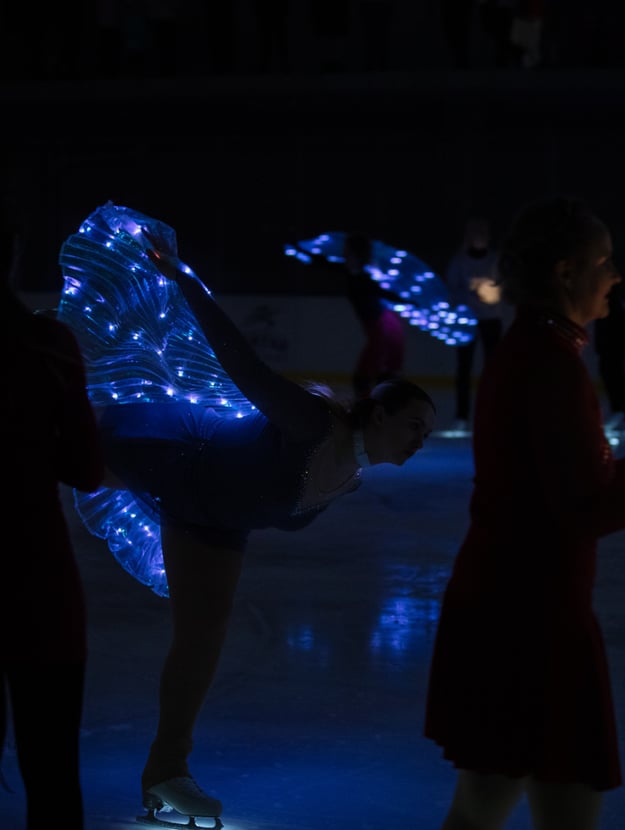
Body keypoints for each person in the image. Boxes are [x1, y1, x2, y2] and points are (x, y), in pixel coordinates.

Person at [55, 202, 436, 825]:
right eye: (414, 425)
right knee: (44, 451)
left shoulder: (349, 477)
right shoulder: (313, 423)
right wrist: (184, 280)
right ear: (379, 413)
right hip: (168, 452)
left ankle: (166, 771)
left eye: (427, 431)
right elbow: (242, 364)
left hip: (212, 519)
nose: (421, 439)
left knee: (203, 637)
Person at [423, 194, 625, 830]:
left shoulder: (537, 351)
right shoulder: (549, 366)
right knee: (517, 800)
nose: (617, 276)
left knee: (514, 799)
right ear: (566, 272)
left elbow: (566, 485)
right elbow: (580, 511)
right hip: (530, 620)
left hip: (515, 606)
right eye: (605, 262)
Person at [1, 210, 104, 830]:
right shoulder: (48, 346)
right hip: (35, 577)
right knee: (52, 770)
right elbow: (86, 468)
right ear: (12, 257)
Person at [307, 231, 406, 400]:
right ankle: (374, 399)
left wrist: (405, 300)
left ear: (357, 254)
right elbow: (325, 263)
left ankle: (374, 402)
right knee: (373, 369)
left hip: (379, 323)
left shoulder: (366, 276)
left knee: (371, 369)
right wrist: (302, 250)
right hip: (376, 323)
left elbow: (381, 292)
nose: (344, 254)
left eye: (348, 251)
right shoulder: (352, 272)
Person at [443, 216, 504, 434]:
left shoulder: (495, 260)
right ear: (469, 237)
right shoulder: (459, 261)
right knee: (464, 369)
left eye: (482, 233)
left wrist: (489, 292)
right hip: (466, 321)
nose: (479, 237)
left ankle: (493, 413)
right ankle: (462, 416)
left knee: (493, 369)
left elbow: (502, 289)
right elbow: (451, 291)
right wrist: (471, 293)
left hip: (491, 320)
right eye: (475, 233)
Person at [593, 288, 625, 435]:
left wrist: (607, 346)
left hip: (612, 355)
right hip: (610, 354)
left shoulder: (614, 313)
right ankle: (624, 418)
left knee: (617, 384)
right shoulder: (613, 312)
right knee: (616, 384)